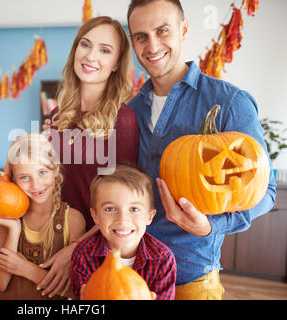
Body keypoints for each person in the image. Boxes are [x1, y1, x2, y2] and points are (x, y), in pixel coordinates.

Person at [126, 0, 276, 299]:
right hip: (131, 275)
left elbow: (266, 191)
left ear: (183, 29)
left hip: (192, 278)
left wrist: (210, 225)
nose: (152, 44)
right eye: (141, 36)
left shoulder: (230, 102)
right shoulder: (130, 111)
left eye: (162, 30)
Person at [38, 16, 140, 297]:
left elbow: (120, 203)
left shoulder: (124, 120)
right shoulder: (58, 115)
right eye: (85, 44)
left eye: (105, 50)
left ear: (117, 64)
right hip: (52, 238)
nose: (91, 55)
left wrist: (76, 249)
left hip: (94, 247)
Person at [0, 133, 86, 299]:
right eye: (24, 177)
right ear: (13, 180)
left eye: (42, 172)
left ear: (56, 168)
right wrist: (14, 231)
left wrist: (26, 269)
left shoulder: (73, 220)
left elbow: (74, 293)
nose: (36, 184)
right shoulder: (7, 220)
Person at [71, 163, 177, 300]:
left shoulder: (163, 259)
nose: (122, 220)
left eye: (134, 209)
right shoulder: (83, 255)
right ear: (95, 215)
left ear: (150, 216)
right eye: (110, 209)